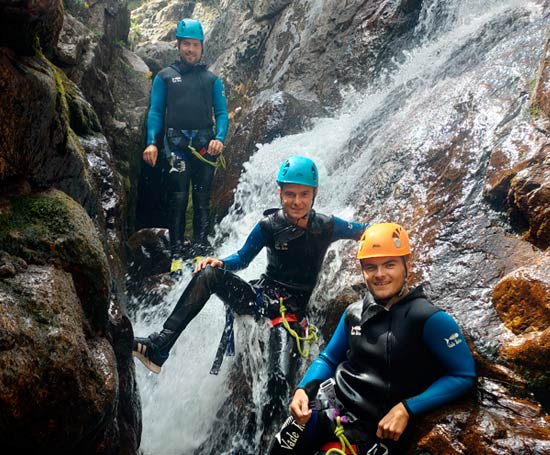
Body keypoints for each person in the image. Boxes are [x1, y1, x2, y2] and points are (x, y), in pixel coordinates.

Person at [133, 155, 368, 445]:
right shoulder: (269, 226)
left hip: (291, 312)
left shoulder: (328, 226)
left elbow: (364, 231)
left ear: (314, 194)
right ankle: (159, 346)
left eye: (304, 194)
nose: (296, 201)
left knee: (278, 382)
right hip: (260, 298)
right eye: (290, 194)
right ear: (280, 193)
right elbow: (242, 259)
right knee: (208, 274)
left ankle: (268, 441)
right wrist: (219, 262)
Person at [268, 222, 476, 455]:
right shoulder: (354, 313)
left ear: (408, 263)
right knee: (278, 449)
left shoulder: (429, 319)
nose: (379, 275)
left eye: (389, 265)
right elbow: (328, 358)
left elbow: (463, 375)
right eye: (370, 267)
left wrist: (406, 409)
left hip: (371, 430)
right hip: (326, 407)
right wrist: (303, 390)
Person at [141, 18, 228, 268]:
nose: (191, 49)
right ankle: (177, 255)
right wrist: (152, 143)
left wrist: (219, 139)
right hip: (176, 146)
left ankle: (201, 249)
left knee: (202, 199)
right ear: (178, 45)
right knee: (178, 198)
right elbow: (156, 112)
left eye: (195, 45)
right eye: (186, 44)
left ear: (202, 48)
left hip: (204, 146)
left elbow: (221, 113)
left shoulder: (212, 80)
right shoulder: (165, 77)